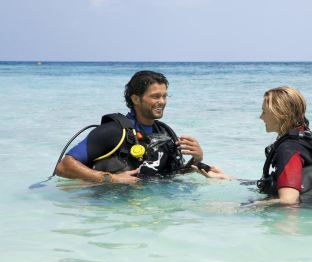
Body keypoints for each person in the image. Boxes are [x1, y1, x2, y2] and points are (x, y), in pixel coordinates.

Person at [194, 86, 312, 205]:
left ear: (280, 114)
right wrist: (228, 178)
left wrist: (241, 208)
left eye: (264, 111)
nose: (261, 117)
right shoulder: (311, 139)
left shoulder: (289, 148)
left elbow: (288, 201)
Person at [56, 70, 204, 184]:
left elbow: (171, 175)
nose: (162, 101)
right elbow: (63, 167)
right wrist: (111, 179)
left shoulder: (165, 133)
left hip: (150, 207)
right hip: (110, 207)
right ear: (135, 99)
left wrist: (197, 159)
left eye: (164, 96)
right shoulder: (113, 131)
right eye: (155, 96)